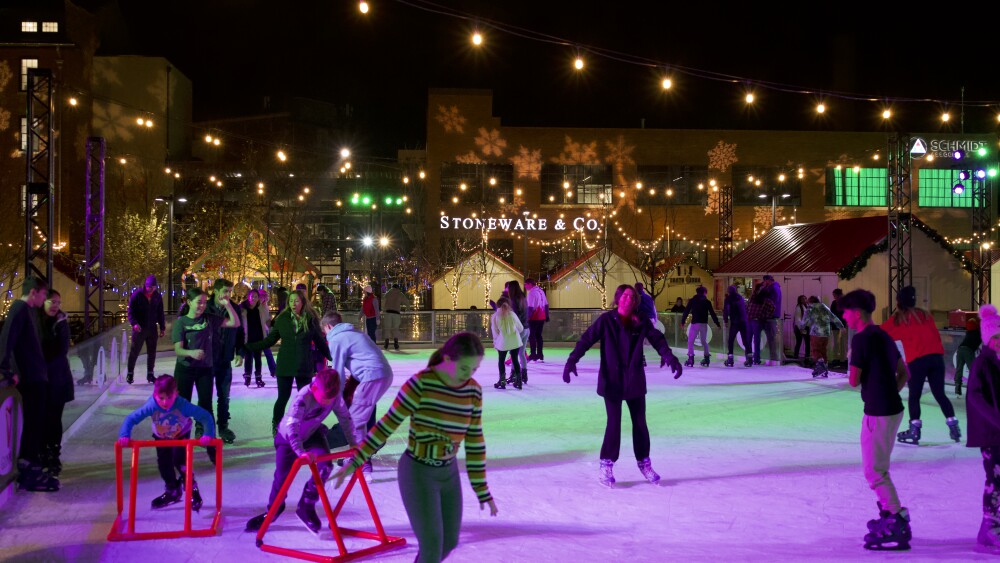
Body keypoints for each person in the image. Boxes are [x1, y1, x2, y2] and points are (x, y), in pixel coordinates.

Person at [332, 332, 498, 563]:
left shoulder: (473, 391)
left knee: (449, 542)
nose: (469, 376)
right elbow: (386, 425)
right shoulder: (420, 385)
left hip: (448, 473)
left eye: (474, 370)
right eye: (464, 369)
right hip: (418, 473)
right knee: (431, 547)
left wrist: (481, 488)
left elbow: (474, 440)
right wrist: (357, 461)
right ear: (448, 360)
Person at [563, 284, 683, 488]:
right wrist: (571, 361)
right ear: (618, 299)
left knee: (640, 424)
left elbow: (657, 339)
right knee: (614, 424)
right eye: (625, 296)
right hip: (612, 380)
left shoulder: (640, 321)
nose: (629, 299)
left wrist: (670, 357)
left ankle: (644, 462)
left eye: (632, 297)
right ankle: (606, 463)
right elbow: (586, 339)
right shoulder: (606, 321)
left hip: (634, 379)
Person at [245, 368, 357, 534]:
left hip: (312, 434)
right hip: (288, 439)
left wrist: (353, 444)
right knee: (282, 478)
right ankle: (273, 511)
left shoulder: (335, 397)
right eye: (324, 398)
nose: (327, 402)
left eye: (330, 399)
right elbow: (292, 426)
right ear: (316, 388)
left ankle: (306, 504)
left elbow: (345, 419)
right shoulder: (303, 398)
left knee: (325, 464)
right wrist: (300, 451)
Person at [842, 289, 911, 551]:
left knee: (875, 471)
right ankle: (890, 516)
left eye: (846, 311)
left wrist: (852, 360)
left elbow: (853, 380)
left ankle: (896, 520)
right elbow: (904, 373)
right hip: (893, 409)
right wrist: (889, 391)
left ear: (857, 312)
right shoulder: (884, 335)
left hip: (878, 412)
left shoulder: (861, 340)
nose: (844, 316)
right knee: (879, 467)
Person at [118, 374, 216, 511]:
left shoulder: (182, 405)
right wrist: (124, 435)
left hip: (180, 435)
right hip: (161, 436)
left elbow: (205, 416)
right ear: (155, 394)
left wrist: (208, 434)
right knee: (164, 464)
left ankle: (192, 489)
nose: (165, 402)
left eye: (169, 397)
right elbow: (131, 418)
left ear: (176, 394)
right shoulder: (151, 405)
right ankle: (172, 490)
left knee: (180, 461)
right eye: (161, 398)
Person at [881, 286, 960, 446]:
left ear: (899, 302)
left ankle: (914, 430)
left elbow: (881, 333)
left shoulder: (898, 319)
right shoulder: (925, 315)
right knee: (940, 394)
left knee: (914, 396)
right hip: (936, 359)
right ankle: (954, 426)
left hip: (917, 361)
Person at [321, 311, 394, 483]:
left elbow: (337, 371)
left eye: (325, 332)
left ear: (328, 326)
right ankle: (359, 459)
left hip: (371, 377)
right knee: (359, 419)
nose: (326, 336)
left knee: (354, 423)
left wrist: (336, 398)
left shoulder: (336, 339)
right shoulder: (355, 333)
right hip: (383, 374)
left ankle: (361, 465)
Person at [246, 289, 330, 435]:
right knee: (282, 397)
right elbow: (270, 340)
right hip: (285, 364)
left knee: (305, 399)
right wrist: (249, 346)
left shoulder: (310, 319)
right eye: (291, 301)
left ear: (303, 302)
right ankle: (276, 425)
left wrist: (331, 356)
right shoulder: (282, 318)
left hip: (304, 364)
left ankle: (304, 425)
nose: (293, 304)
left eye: (296, 301)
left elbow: (319, 341)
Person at [0, 276, 55, 491]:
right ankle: (27, 466)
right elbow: (6, 340)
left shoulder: (29, 312)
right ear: (34, 292)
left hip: (36, 377)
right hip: (30, 379)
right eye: (43, 295)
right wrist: (5, 369)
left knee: (36, 422)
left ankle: (31, 463)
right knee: (32, 423)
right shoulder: (19, 309)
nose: (44, 299)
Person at [965, 303, 1000, 552]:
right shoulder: (982, 364)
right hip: (990, 433)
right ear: (987, 338)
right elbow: (975, 398)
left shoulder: (997, 362)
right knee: (995, 479)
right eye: (995, 338)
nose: (999, 342)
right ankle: (989, 527)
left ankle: (990, 526)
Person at [40, 289, 73, 478]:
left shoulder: (61, 323)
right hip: (40, 380)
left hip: (58, 379)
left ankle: (53, 455)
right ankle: (42, 453)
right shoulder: (36, 322)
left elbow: (61, 351)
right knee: (41, 418)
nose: (55, 306)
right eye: (52, 302)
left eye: (58, 303)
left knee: (53, 418)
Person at [206, 279, 241, 444]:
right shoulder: (204, 307)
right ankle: (205, 427)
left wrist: (240, 352)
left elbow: (239, 330)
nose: (227, 295)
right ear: (215, 291)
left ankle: (223, 426)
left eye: (229, 291)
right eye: (225, 291)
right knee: (205, 395)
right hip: (207, 359)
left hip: (225, 358)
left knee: (224, 396)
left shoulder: (234, 308)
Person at [126, 274, 166, 384]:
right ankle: (130, 373)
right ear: (145, 285)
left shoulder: (157, 296)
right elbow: (130, 313)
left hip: (152, 329)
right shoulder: (137, 295)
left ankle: (150, 374)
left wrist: (162, 327)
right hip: (139, 329)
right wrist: (134, 324)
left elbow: (160, 313)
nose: (151, 289)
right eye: (149, 287)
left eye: (153, 287)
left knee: (152, 352)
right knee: (134, 352)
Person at [799, 296, 843, 378]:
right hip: (826, 332)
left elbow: (805, 320)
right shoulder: (824, 307)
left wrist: (801, 328)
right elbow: (833, 317)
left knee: (815, 350)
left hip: (816, 332)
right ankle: (825, 369)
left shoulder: (810, 308)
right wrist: (841, 326)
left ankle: (821, 366)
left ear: (810, 302)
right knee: (823, 350)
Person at [680, 286, 721, 368]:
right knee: (704, 341)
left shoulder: (692, 301)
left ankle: (691, 358)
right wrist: (717, 323)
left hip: (695, 323)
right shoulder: (707, 302)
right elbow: (712, 313)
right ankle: (706, 358)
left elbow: (686, 311)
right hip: (703, 324)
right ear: (704, 292)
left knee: (690, 341)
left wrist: (683, 321)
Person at [491, 297, 524, 390]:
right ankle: (518, 380)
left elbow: (495, 331)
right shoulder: (512, 314)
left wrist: (496, 341)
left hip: (503, 341)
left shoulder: (495, 316)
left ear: (497, 305)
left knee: (501, 360)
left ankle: (502, 381)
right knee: (515, 360)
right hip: (515, 340)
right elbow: (521, 328)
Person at [242, 288, 270, 388]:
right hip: (248, 337)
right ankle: (247, 376)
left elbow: (267, 319)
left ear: (258, 298)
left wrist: (265, 304)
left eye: (255, 297)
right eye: (252, 296)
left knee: (258, 358)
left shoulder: (261, 308)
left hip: (259, 337)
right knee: (248, 358)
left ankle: (258, 377)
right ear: (248, 297)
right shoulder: (243, 308)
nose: (253, 298)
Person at [506, 280, 530, 384]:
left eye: (508, 288)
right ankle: (524, 375)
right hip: (526, 328)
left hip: (519, 329)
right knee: (521, 353)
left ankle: (514, 375)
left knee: (514, 353)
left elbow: (515, 316)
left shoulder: (514, 300)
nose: (506, 290)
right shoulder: (523, 298)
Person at [722, 284, 751, 368]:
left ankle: (730, 358)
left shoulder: (728, 299)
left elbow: (726, 310)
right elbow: (745, 308)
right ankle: (749, 358)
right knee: (746, 341)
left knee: (731, 340)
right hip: (744, 321)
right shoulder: (740, 298)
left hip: (735, 322)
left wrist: (726, 320)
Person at [747, 283, 775, 366]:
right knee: (757, 340)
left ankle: (748, 357)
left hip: (750, 320)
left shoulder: (753, 298)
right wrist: (765, 316)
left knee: (748, 340)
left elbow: (747, 307)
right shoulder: (767, 301)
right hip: (758, 321)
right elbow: (773, 308)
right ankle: (756, 358)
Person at [955, 316, 981, 397]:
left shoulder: (968, 333)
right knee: (973, 370)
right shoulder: (978, 333)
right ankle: (974, 389)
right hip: (968, 351)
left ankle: (957, 388)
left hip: (960, 350)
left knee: (959, 369)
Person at [524, 278, 548, 363]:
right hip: (542, 316)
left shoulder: (531, 293)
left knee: (532, 336)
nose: (525, 286)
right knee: (538, 335)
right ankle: (540, 354)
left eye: (525, 284)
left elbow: (530, 307)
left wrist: (526, 318)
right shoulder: (541, 291)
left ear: (530, 284)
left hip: (534, 317)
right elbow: (546, 304)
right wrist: (547, 315)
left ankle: (533, 354)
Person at [761, 275, 783, 365]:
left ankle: (774, 356)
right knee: (771, 337)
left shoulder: (773, 289)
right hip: (772, 315)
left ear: (767, 281)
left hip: (771, 316)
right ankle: (774, 355)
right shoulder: (775, 288)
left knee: (771, 337)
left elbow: (772, 302)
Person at [382, 284, 410, 351]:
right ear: (398, 288)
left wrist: (383, 309)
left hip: (388, 313)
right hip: (396, 313)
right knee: (395, 329)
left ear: (392, 287)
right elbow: (407, 302)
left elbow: (383, 302)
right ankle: (396, 344)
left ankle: (386, 343)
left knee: (387, 328)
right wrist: (407, 309)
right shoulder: (400, 294)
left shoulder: (387, 293)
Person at [258, 289, 278, 376]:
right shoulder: (258, 306)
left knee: (267, 351)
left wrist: (269, 322)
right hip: (259, 330)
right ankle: (272, 370)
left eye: (266, 296)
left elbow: (266, 319)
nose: (266, 298)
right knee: (264, 352)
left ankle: (273, 370)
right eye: (264, 296)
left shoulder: (265, 306)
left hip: (264, 330)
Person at [830, 288, 847, 367]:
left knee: (843, 342)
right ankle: (836, 358)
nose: (834, 296)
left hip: (844, 324)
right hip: (835, 324)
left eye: (834, 295)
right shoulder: (834, 303)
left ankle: (843, 359)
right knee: (836, 342)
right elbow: (831, 313)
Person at [792, 294, 811, 361]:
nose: (804, 300)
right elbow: (798, 319)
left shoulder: (808, 307)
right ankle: (796, 355)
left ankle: (807, 356)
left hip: (806, 327)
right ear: (799, 300)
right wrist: (801, 327)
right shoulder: (799, 307)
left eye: (805, 298)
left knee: (807, 342)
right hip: (799, 327)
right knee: (799, 342)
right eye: (802, 299)